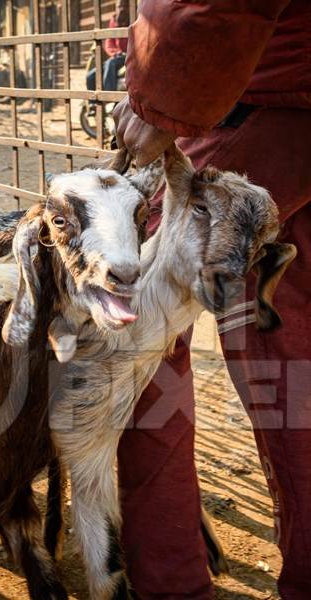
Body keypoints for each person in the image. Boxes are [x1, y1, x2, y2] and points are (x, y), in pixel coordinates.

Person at [113, 1, 311, 599]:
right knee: (293, 350)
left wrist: (161, 100)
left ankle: (171, 583)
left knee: (137, 339)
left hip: (258, 106)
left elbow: (212, 5)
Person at [86, 0, 129, 94]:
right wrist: (116, 53)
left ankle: (108, 95)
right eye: (119, 6)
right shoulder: (114, 20)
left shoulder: (134, 19)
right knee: (91, 76)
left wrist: (125, 53)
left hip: (129, 56)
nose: (121, 9)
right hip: (116, 56)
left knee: (110, 63)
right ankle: (93, 104)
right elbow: (109, 43)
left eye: (124, 6)